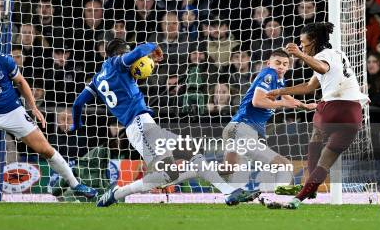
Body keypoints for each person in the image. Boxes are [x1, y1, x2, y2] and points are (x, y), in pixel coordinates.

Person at [71, 39, 260, 207]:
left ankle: (229, 192)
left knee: (191, 152)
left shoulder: (97, 79)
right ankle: (117, 193)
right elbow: (139, 51)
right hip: (138, 125)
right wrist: (154, 48)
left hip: (144, 124)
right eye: (127, 52)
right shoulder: (116, 63)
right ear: (121, 52)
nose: (132, 58)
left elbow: (78, 104)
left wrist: (76, 125)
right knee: (166, 175)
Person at [0, 29, 96, 202]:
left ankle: (75, 184)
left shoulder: (4, 60)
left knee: (45, 149)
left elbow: (21, 82)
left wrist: (33, 108)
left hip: (12, 111)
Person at [264, 23, 369, 209]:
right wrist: (281, 90)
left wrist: (299, 54)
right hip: (353, 113)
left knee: (316, 138)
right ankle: (300, 198)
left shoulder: (323, 56)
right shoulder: (338, 55)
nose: (301, 46)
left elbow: (322, 68)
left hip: (332, 107)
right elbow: (309, 86)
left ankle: (308, 189)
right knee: (326, 161)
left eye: (303, 43)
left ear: (313, 41)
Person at [222, 49, 315, 192]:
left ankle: (190, 170)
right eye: (277, 63)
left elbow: (286, 97)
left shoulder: (279, 80)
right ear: (268, 63)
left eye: (285, 64)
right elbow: (257, 101)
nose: (281, 67)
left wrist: (305, 106)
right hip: (244, 129)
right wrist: (282, 104)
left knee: (229, 168)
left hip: (233, 128)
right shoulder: (269, 74)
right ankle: (277, 194)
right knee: (284, 165)